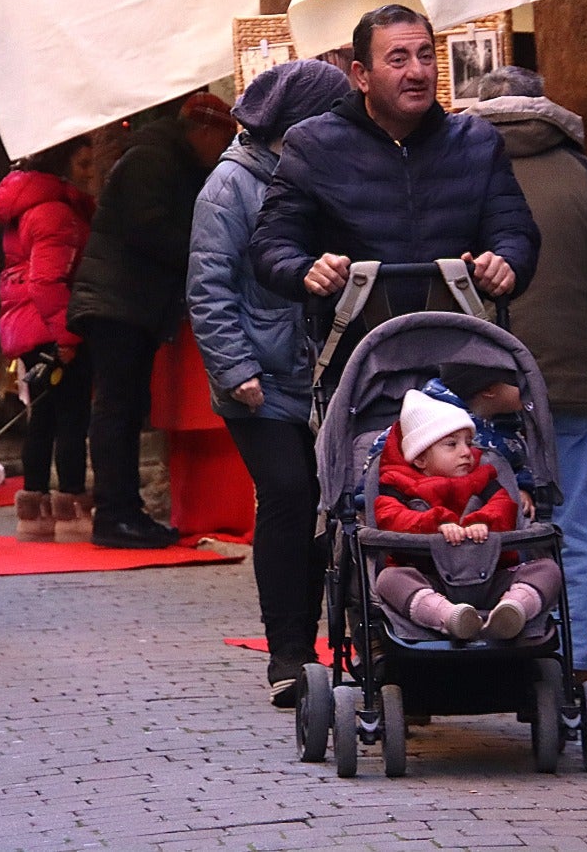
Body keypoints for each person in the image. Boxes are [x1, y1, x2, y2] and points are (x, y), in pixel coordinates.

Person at [469, 66, 587, 682]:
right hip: (569, 380)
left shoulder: (457, 170)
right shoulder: (586, 175)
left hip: (476, 383)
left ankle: (474, 653)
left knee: (473, 514)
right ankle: (573, 664)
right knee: (574, 525)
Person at [186, 59, 351, 706]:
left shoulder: (328, 171)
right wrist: (235, 368)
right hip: (262, 377)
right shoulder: (231, 184)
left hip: (327, 371)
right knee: (289, 494)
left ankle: (346, 639)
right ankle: (288, 652)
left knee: (333, 501)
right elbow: (208, 285)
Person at [250, 4, 539, 372]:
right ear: (362, 75)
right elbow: (270, 244)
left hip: (463, 362)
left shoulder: (477, 141)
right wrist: (306, 270)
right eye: (399, 59)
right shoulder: (314, 145)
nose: (417, 72)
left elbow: (515, 231)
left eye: (426, 56)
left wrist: (505, 262)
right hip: (358, 366)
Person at [67, 94, 235, 549]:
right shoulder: (153, 159)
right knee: (117, 407)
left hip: (127, 301)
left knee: (125, 406)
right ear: (204, 130)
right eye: (223, 139)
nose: (223, 151)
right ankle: (114, 514)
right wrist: (202, 255)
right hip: (117, 302)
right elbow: (148, 228)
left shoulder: (165, 158)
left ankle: (126, 511)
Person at [372, 390, 562, 641]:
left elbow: (504, 506)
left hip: (492, 577)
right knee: (389, 580)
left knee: (548, 570)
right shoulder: (398, 485)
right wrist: (436, 524)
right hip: (430, 579)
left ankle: (513, 609)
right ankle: (447, 616)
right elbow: (390, 518)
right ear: (420, 458)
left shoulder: (483, 478)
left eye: (469, 443)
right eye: (452, 444)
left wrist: (483, 520)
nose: (466, 452)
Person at [0, 136, 96, 541]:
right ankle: (71, 512)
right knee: (70, 418)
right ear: (63, 163)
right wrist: (67, 337)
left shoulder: (27, 203)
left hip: (28, 324)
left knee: (44, 418)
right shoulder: (53, 210)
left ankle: (34, 514)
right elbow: (47, 280)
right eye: (83, 164)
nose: (89, 172)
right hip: (50, 324)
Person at [423, 362, 534, 515]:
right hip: (438, 500)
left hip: (494, 506)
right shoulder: (435, 419)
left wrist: (521, 488)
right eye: (518, 383)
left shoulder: (510, 424)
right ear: (489, 390)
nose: (530, 388)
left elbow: (519, 464)